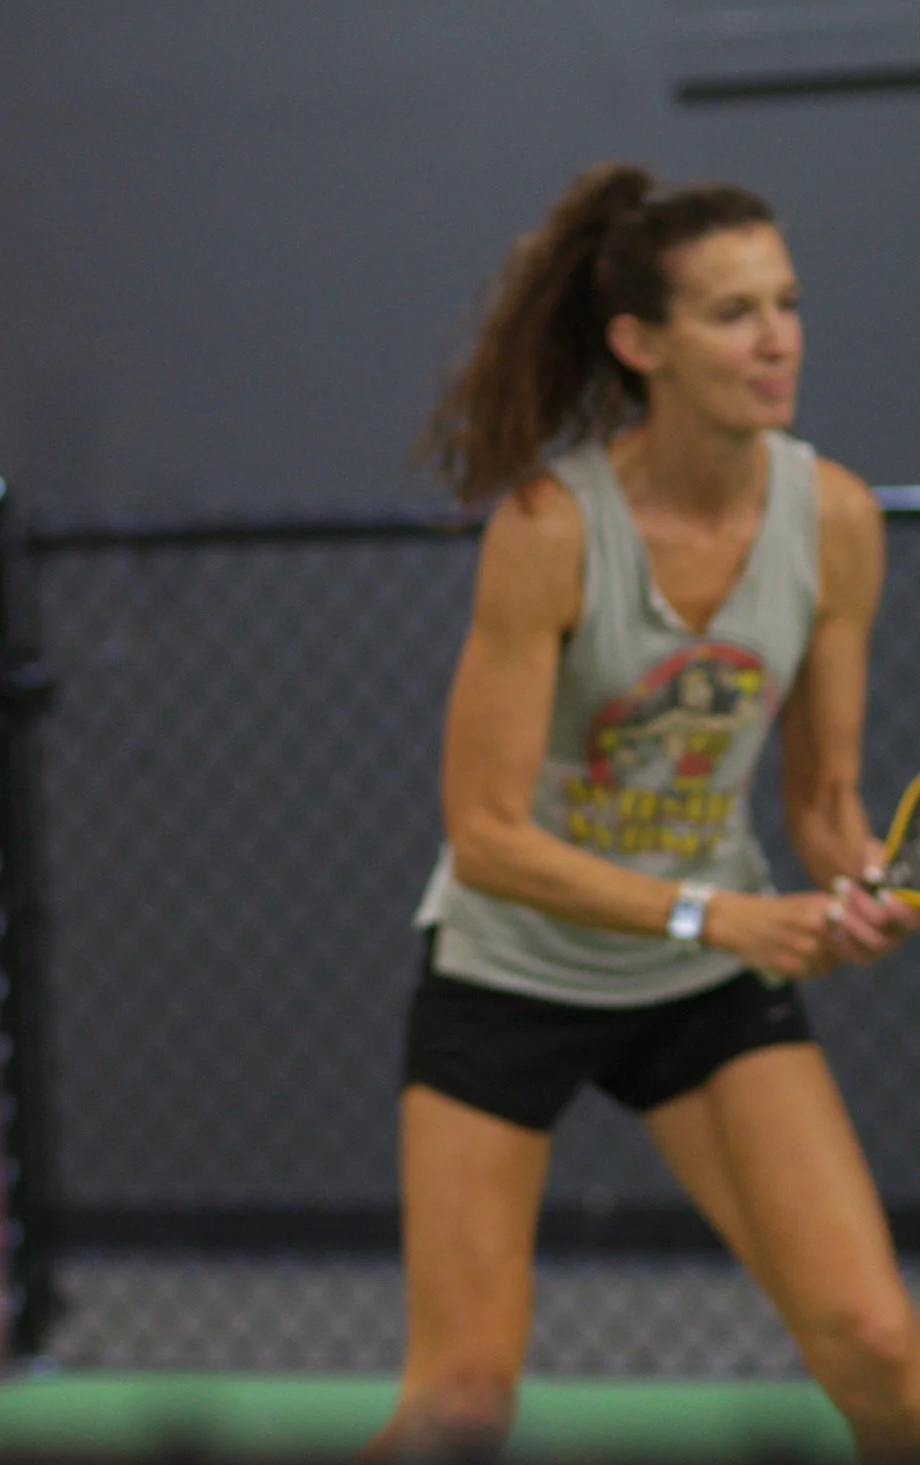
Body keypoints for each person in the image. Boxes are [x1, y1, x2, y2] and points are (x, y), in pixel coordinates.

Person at [377, 164, 920, 1454]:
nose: (777, 338)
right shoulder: (551, 526)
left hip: (699, 993)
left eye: (786, 303)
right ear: (641, 343)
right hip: (512, 981)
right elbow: (486, 837)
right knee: (459, 1407)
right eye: (733, 312)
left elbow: (825, 801)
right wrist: (714, 914)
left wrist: (860, 893)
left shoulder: (833, 520)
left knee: (881, 1348)